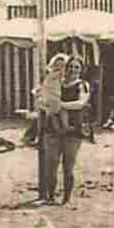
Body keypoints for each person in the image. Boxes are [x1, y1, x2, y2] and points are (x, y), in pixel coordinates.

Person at [38, 54, 90, 205]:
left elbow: (81, 103)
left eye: (77, 67)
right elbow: (43, 101)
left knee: (68, 165)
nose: (73, 70)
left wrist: (59, 105)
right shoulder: (55, 83)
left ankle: (66, 198)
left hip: (73, 129)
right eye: (71, 67)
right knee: (51, 163)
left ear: (81, 70)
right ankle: (50, 196)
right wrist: (45, 104)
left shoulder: (82, 85)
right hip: (52, 128)